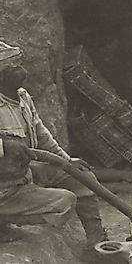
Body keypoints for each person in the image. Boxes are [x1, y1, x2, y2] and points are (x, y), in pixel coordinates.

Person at [0, 41, 107, 262]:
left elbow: (42, 136)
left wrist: (67, 161)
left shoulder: (22, 97)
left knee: (82, 176)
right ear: (1, 76)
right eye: (14, 66)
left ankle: (98, 243)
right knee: (64, 202)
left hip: (25, 174)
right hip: (4, 190)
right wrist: (4, 146)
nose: (23, 70)